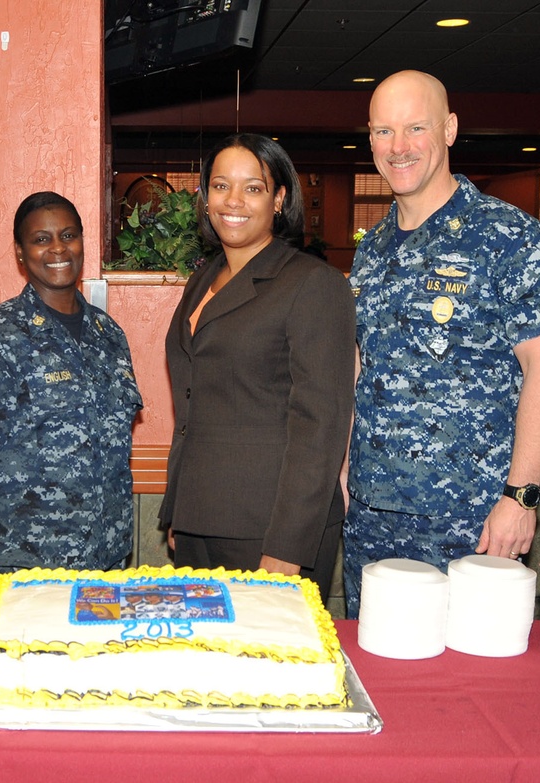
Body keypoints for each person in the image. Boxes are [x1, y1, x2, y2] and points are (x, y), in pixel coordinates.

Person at [343, 70, 540, 617]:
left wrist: (521, 497)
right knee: (377, 676)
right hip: (372, 519)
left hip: (474, 523)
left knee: (469, 689)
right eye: (382, 131)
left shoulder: (510, 238)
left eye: (414, 127)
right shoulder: (370, 250)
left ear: (448, 129)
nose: (397, 147)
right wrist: (342, 469)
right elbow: (359, 367)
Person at [159, 133, 356, 597]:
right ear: (205, 197)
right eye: (221, 185)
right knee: (204, 662)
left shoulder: (313, 284)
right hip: (200, 519)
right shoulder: (203, 279)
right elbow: (193, 406)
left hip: (270, 531)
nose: (234, 201)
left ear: (279, 199)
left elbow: (321, 424)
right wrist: (180, 511)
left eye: (253, 188)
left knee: (269, 665)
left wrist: (288, 545)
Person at [0, 192, 143, 613]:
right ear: (20, 253)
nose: (58, 249)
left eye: (68, 236)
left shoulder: (109, 335)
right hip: (24, 572)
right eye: (41, 239)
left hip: (106, 563)